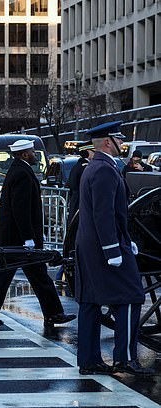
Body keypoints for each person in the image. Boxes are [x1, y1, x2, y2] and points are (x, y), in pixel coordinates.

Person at [75, 121, 153, 376]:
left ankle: (89, 360)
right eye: (119, 139)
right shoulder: (105, 170)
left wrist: (124, 238)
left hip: (91, 244)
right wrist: (113, 250)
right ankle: (125, 358)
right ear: (108, 141)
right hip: (103, 246)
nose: (123, 144)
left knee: (90, 301)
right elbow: (103, 214)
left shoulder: (95, 167)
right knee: (132, 296)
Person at [0, 139, 76, 327]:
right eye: (32, 152)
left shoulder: (19, 170)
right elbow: (21, 209)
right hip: (18, 239)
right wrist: (28, 237)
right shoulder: (22, 174)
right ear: (25, 154)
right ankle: (53, 314)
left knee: (19, 274)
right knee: (29, 275)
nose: (35, 155)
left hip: (14, 237)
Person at [65, 143, 95, 225]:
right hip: (81, 203)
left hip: (77, 202)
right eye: (94, 152)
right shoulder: (84, 168)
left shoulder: (78, 166)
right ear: (88, 152)